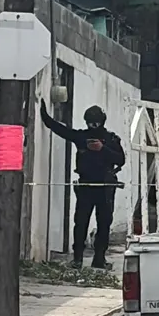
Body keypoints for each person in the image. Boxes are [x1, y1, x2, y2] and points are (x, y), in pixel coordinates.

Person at [40, 100, 125, 269]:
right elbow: (62, 130)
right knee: (81, 222)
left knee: (104, 223)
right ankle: (77, 258)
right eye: (90, 123)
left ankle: (99, 258)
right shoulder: (81, 137)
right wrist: (44, 115)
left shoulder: (111, 139)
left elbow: (120, 160)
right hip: (86, 186)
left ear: (102, 121)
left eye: (96, 122)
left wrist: (103, 149)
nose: (93, 126)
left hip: (105, 187)